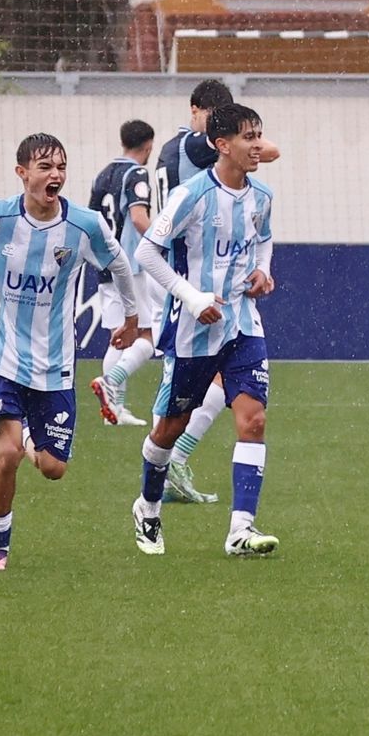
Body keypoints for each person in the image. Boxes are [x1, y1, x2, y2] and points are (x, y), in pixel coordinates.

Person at [0, 133, 140, 571]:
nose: (55, 175)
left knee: (53, 468)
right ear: (23, 174)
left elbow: (119, 263)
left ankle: (35, 439)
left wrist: (132, 318)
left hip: (56, 363)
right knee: (6, 453)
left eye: (60, 167)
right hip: (3, 355)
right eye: (44, 167)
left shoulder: (84, 225)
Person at [129, 101, 277, 558]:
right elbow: (146, 253)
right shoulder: (191, 194)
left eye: (259, 135)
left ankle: (240, 530)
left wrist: (263, 272)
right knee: (169, 430)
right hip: (193, 331)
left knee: (253, 420)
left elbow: (264, 240)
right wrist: (192, 297)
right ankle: (148, 508)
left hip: (243, 326)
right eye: (248, 137)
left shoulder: (262, 197)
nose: (258, 146)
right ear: (222, 144)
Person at [88, 120, 159, 428]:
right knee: (149, 336)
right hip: (131, 265)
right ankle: (111, 384)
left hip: (106, 264)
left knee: (119, 337)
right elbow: (138, 217)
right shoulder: (137, 173)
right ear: (148, 145)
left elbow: (93, 221)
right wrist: (164, 241)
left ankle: (114, 409)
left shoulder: (102, 175)